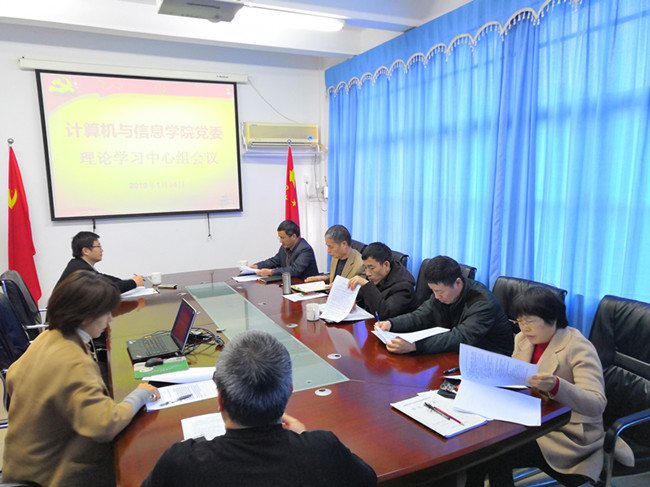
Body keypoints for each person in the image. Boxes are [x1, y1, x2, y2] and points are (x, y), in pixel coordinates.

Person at [141, 330, 377, 487]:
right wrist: (304, 439)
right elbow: (368, 479)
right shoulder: (323, 449)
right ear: (289, 391)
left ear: (221, 399)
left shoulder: (181, 462)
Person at [2, 270, 160, 487]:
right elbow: (106, 424)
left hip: (22, 466)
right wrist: (141, 393)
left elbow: (12, 375)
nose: (110, 318)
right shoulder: (72, 362)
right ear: (86, 316)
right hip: (54, 476)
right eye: (106, 312)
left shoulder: (47, 338)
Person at [465, 286, 634, 486]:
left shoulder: (578, 347)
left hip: (568, 431)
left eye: (530, 321)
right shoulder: (523, 339)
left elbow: (596, 404)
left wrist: (556, 386)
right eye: (520, 321)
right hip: (533, 417)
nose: (524, 328)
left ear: (552, 319)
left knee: (497, 452)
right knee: (478, 445)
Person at [377, 255, 512, 355]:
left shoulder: (483, 303)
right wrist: (391, 324)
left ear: (457, 282)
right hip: (459, 353)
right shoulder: (443, 295)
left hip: (491, 359)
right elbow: (421, 315)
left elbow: (460, 337)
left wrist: (415, 346)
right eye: (433, 291)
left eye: (439, 291)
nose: (436, 296)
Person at [347, 242, 418, 320]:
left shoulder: (404, 287)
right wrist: (352, 297)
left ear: (386, 265)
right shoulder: (377, 276)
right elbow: (361, 298)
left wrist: (367, 285)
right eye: (365, 267)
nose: (367, 273)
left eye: (371, 268)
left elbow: (384, 314)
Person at [57, 231, 144, 293]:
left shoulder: (79, 264)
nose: (102, 250)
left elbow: (103, 278)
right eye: (98, 246)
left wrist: (128, 281)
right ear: (85, 251)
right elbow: (106, 289)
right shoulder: (80, 270)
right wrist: (133, 283)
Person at [251, 220, 319, 280]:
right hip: (290, 283)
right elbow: (274, 261)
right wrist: (257, 266)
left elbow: (295, 270)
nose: (280, 241)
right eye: (280, 238)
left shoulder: (305, 249)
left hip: (305, 285)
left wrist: (271, 272)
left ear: (293, 236)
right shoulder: (284, 247)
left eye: (283, 238)